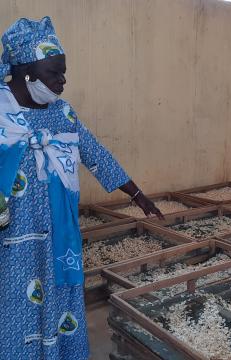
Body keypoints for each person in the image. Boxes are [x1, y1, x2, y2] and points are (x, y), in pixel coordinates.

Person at [0, 17, 163, 359]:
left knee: (58, 304)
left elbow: (96, 155)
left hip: (60, 240)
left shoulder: (63, 115)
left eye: (63, 72)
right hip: (13, 242)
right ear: (27, 72)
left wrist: (138, 195)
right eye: (54, 73)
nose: (62, 81)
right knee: (15, 305)